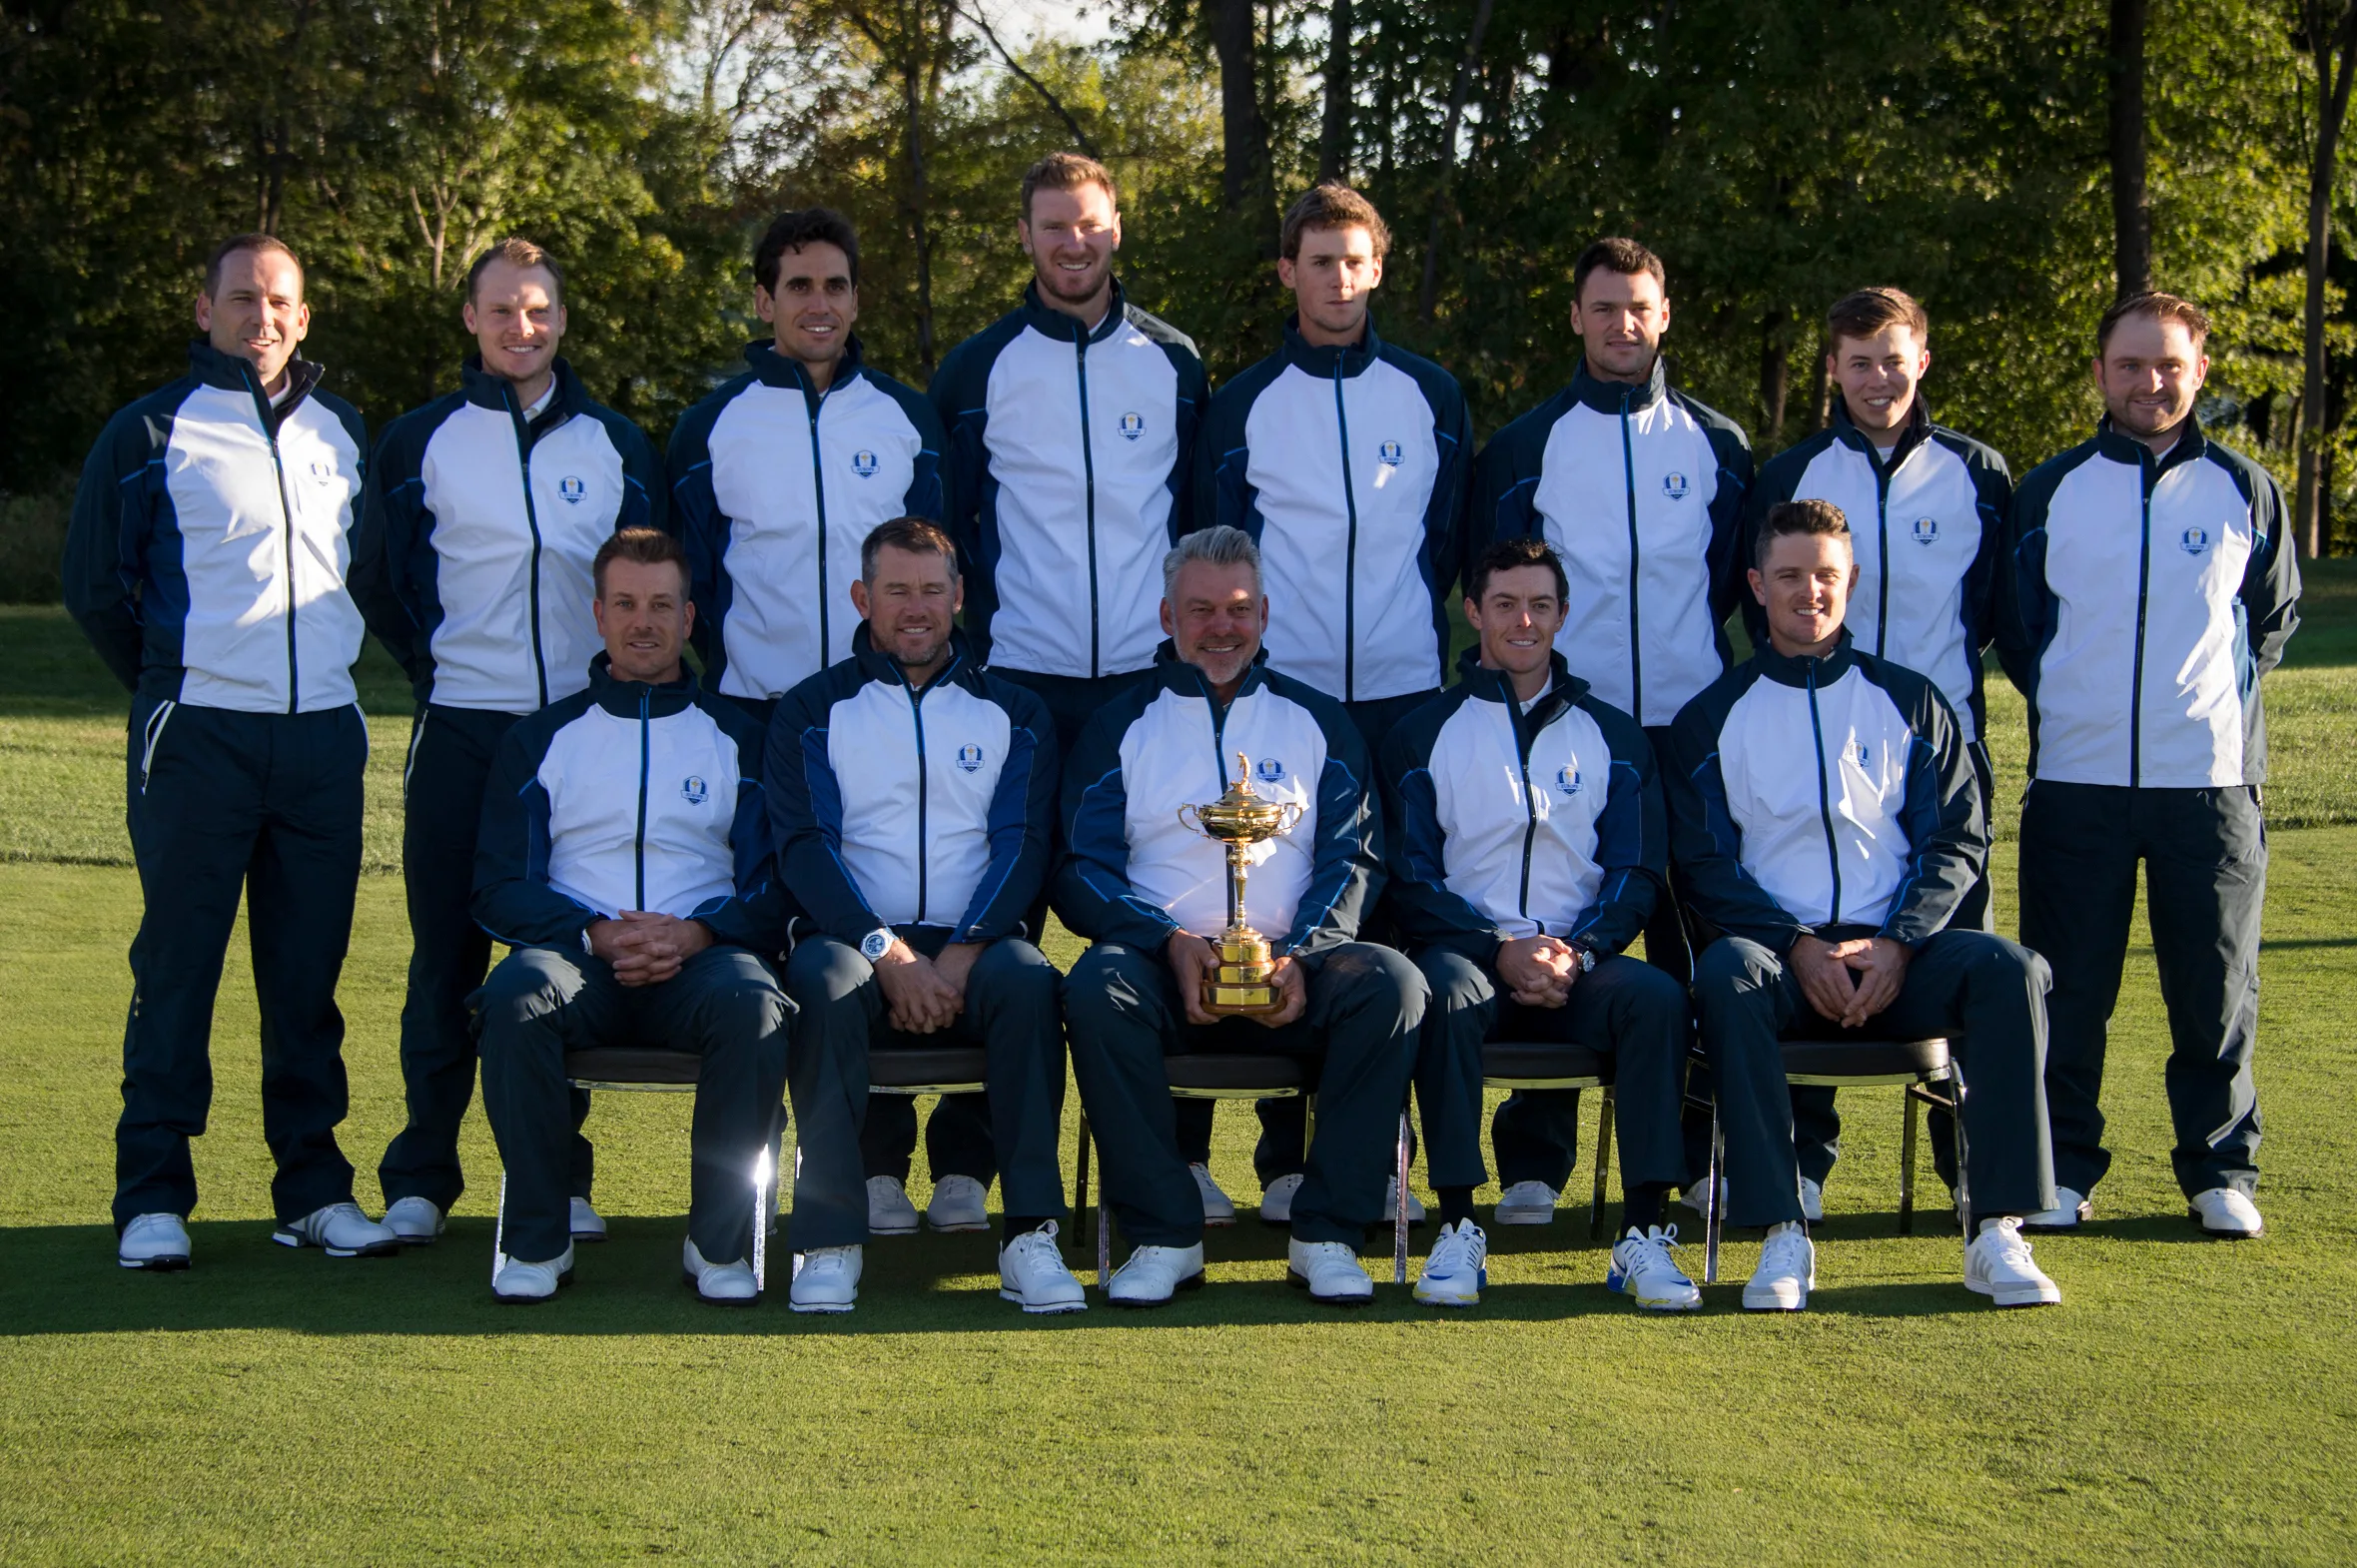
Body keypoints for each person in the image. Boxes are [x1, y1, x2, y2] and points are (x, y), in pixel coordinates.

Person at [65, 234, 394, 1270]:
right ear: (204, 311)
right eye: (243, 298)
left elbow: (372, 576)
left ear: (304, 317)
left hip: (320, 742)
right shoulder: (150, 429)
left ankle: (312, 1190)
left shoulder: (342, 429)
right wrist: (175, 682)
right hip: (199, 736)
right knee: (178, 969)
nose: (263, 317)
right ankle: (153, 1194)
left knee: (307, 979)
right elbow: (93, 586)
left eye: (281, 301)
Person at [1667, 498, 2063, 1311]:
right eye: (1788, 576)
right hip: (1784, 961)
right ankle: (1781, 1229)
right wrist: (1797, 943)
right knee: (1727, 973)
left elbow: (1956, 840)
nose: (1808, 592)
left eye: (1825, 575)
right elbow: (1704, 865)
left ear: (1850, 582)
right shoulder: (1710, 718)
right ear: (1756, 586)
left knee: (2009, 969)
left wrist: (1900, 943)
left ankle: (1997, 1228)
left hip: (1901, 958)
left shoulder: (1911, 701)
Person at [932, 152, 1230, 1221]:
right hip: (1017, 680)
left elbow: (1196, 523)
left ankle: (1176, 1155)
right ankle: (964, 1163)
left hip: (1148, 686)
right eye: (1053, 225)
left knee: (1177, 908)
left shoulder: (1174, 362)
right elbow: (949, 529)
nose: (1073, 243)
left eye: (1090, 224)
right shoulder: (977, 369)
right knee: (991, 916)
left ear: (1116, 230)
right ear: (1023, 236)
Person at [667, 208, 978, 1230]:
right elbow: (693, 572)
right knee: (784, 944)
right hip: (757, 715)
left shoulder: (904, 417)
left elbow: (944, 562)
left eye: (835, 285)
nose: (817, 303)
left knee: (900, 914)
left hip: (883, 708)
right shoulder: (711, 424)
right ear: (764, 300)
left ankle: (895, 1167)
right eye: (797, 285)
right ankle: (786, 1172)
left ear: (855, 298)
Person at [358, 237, 664, 1247]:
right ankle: (421, 1175)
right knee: (445, 955)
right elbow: (382, 578)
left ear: (561, 319)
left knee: (559, 950)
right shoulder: (420, 439)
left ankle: (557, 1177)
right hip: (460, 725)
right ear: (471, 319)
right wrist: (439, 664)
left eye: (537, 310)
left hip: (576, 733)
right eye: (501, 311)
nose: (520, 328)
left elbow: (650, 576)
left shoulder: (614, 443)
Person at [1056, 526, 1425, 1307]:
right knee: (1094, 987)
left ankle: (1327, 1234)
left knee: (1391, 984)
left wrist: (1302, 955)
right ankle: (1164, 1236)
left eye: (1238, 609)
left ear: (1263, 614)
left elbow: (1356, 857)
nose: (1221, 628)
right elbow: (1081, 865)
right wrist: (1167, 941)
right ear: (1168, 617)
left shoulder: (1317, 720)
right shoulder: (1120, 723)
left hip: (1298, 973)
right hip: (1163, 972)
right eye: (1201, 610)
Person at [1195, 181, 1471, 1221]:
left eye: (1355, 261)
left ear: (1378, 268)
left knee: (1385, 930)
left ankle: (1378, 1158)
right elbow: (1219, 546)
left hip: (1402, 694)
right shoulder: (1245, 401)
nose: (1339, 279)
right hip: (1289, 697)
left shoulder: (1429, 393)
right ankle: (1282, 1160)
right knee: (1268, 908)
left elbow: (1445, 540)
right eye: (1319, 261)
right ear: (1288, 271)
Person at [2001, 292, 2299, 1239]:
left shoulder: (2246, 489)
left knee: (2214, 991)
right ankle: (2062, 1170)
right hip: (2076, 783)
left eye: (2169, 364)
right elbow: (2021, 630)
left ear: (2200, 371)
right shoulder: (2051, 490)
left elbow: (2270, 622)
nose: (2150, 382)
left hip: (2208, 785)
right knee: (2069, 991)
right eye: (2130, 365)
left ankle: (2220, 1171)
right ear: (2100, 374)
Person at [1468, 236, 1752, 1210]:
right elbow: (1495, 580)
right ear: (1575, 318)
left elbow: (1727, 581)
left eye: (1637, 307)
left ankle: (1697, 1154)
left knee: (1696, 949)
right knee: (1547, 927)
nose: (1621, 324)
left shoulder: (1716, 443)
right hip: (1563, 728)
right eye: (1602, 308)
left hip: (1686, 734)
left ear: (1663, 315)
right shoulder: (1526, 445)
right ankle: (1534, 1161)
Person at [1742, 286, 2012, 1217]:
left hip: (1941, 748)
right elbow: (1763, 600)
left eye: (1893, 359)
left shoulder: (1977, 472)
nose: (1877, 378)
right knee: (1815, 926)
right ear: (1833, 369)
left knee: (1951, 954)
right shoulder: (1792, 472)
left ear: (1921, 361)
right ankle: (1803, 1166)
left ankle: (1969, 1171)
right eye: (1858, 362)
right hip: (1814, 732)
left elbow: (2000, 609)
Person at [470, 528, 789, 1305]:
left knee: (755, 1005)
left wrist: (697, 932)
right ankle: (539, 1240)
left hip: (702, 961)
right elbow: (499, 886)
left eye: (660, 605)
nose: (642, 622)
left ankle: (717, 1246)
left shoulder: (740, 739)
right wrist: (596, 933)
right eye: (625, 605)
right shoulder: (539, 740)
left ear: (689, 617)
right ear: (599, 615)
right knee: (514, 996)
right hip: (580, 959)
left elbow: (774, 886)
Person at [767, 518, 1079, 1314]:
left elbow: (1022, 842)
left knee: (1031, 982)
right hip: (855, 941)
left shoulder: (1014, 710)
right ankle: (830, 1240)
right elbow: (806, 846)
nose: (916, 607)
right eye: (897, 590)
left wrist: (966, 948)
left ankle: (1030, 1237)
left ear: (959, 596)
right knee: (822, 984)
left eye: (932, 590)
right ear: (862, 597)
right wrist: (889, 953)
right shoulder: (811, 708)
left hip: (977, 941)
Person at [1381, 537, 1697, 1309]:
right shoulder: (1422, 732)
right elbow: (1410, 876)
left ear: (1561, 614)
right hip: (1470, 959)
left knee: (1658, 998)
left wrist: (1578, 952)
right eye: (1505, 604)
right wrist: (1498, 948)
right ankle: (1458, 1226)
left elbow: (1636, 869)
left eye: (1540, 605)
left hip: (1580, 964)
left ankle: (1644, 1232)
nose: (1523, 620)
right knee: (1442, 994)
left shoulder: (1613, 735)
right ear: (1473, 611)